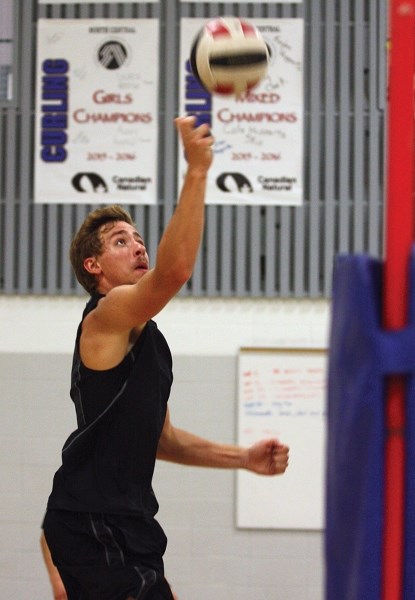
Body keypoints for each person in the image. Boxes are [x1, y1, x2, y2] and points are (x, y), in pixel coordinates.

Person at [41, 116, 289, 600]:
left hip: (129, 524)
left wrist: (243, 458)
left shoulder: (151, 342)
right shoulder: (105, 316)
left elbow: (163, 439)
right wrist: (197, 171)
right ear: (93, 267)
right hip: (93, 521)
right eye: (120, 240)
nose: (137, 245)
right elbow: (174, 270)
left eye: (137, 237)